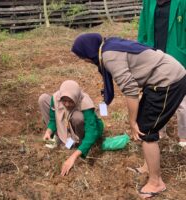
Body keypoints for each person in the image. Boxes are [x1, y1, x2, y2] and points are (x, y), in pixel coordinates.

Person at [71, 33, 186, 198]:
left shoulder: (109, 56)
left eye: (83, 58)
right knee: (144, 124)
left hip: (167, 81)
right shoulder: (108, 46)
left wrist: (132, 122)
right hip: (158, 78)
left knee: (146, 131)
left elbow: (130, 90)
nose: (85, 61)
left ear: (88, 52)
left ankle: (156, 182)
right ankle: (148, 166)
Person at [138, 0, 186, 147]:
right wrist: (141, 50)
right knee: (155, 95)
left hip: (177, 56)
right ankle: (160, 130)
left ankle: (183, 136)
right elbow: (143, 30)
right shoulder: (148, 2)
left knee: (182, 101)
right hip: (154, 57)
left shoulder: (182, 2)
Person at [38, 80, 104, 176]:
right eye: (64, 101)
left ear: (76, 98)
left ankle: (79, 143)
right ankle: (59, 137)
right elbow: (53, 119)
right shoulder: (56, 97)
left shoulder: (85, 102)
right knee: (43, 99)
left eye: (70, 101)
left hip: (85, 130)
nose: (67, 104)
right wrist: (49, 131)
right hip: (67, 126)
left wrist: (73, 157)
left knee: (78, 117)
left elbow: (92, 132)